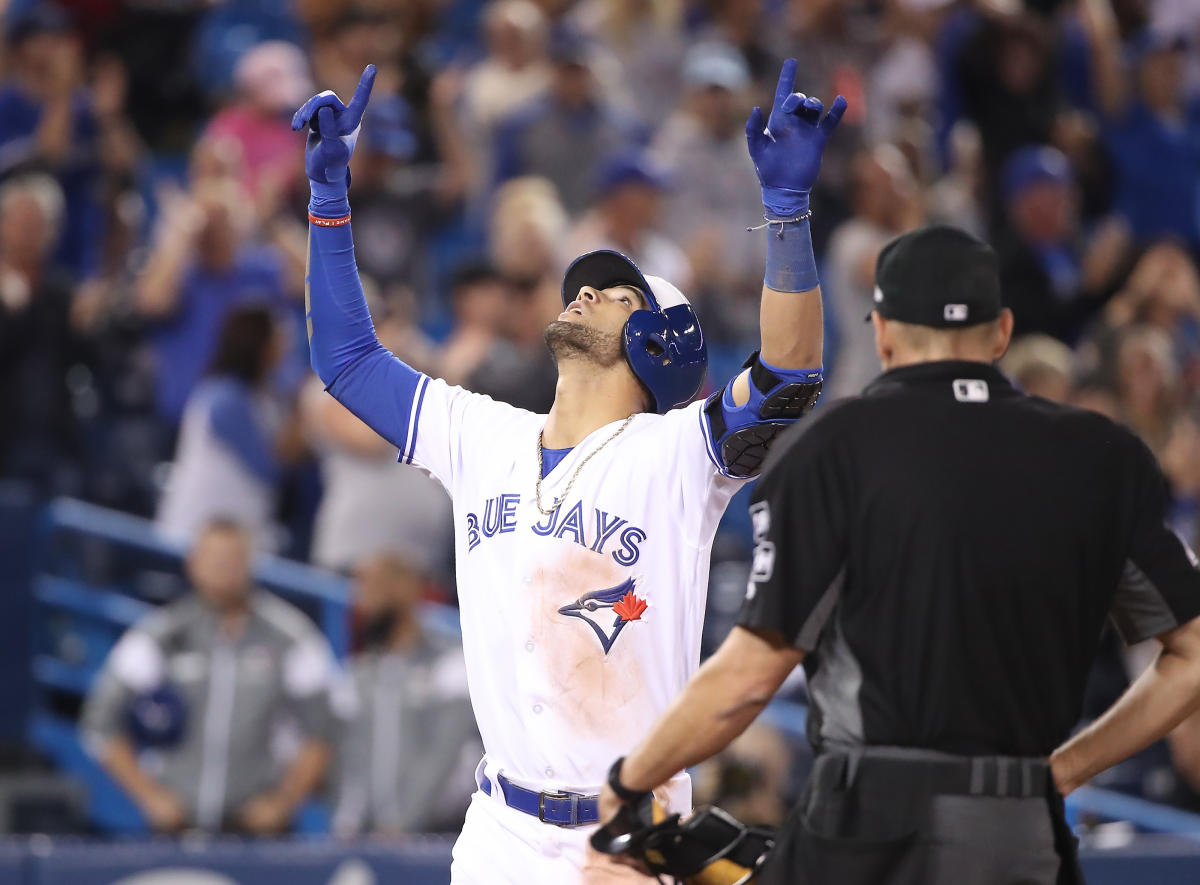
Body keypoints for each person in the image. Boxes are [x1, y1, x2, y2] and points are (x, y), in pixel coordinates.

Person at [294, 60, 844, 882]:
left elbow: (788, 374)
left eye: (617, 294)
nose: (585, 294)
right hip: (497, 834)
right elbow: (344, 359)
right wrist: (331, 202)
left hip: (629, 833)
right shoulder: (479, 433)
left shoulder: (679, 454)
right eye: (586, 287)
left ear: (663, 343)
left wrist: (788, 212)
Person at [595, 224, 1200, 885]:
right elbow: (1192, 656)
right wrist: (1064, 769)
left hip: (873, 824)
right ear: (999, 333)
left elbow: (752, 673)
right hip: (1022, 829)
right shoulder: (1102, 457)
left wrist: (633, 776)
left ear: (882, 333)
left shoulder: (836, 447)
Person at [81, 519, 338, 834]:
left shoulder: (290, 637)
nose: (223, 571)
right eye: (214, 560)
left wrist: (282, 803)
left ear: (250, 564)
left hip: (257, 829)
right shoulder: (162, 634)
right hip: (178, 825)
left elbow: (324, 729)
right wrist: (149, 796)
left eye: (232, 560)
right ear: (194, 564)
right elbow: (100, 722)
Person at [332, 552, 479, 835]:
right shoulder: (358, 673)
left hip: (440, 834)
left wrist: (404, 821)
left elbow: (445, 754)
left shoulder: (450, 665)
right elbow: (350, 756)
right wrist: (347, 820)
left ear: (405, 590)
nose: (362, 603)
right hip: (367, 836)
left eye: (373, 588)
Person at [156, 306, 301, 552]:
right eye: (278, 339)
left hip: (243, 533)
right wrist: (304, 411)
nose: (285, 348)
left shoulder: (267, 397)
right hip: (197, 534)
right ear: (260, 345)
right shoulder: (225, 399)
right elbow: (269, 468)